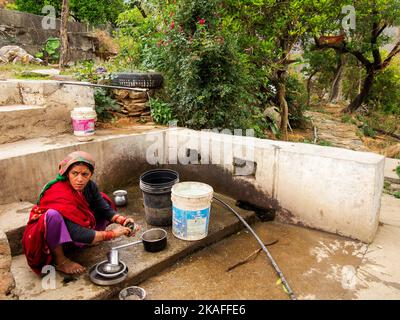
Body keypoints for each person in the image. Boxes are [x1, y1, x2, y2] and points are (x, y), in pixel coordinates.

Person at [22, 151, 139, 276]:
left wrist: (123, 221)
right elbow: (76, 232)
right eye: (75, 173)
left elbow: (103, 207)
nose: (80, 179)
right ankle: (60, 260)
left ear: (91, 174)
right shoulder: (59, 192)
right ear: (67, 173)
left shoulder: (89, 186)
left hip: (75, 235)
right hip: (49, 239)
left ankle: (89, 239)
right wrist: (113, 234)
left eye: (85, 174)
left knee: (103, 198)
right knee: (53, 216)